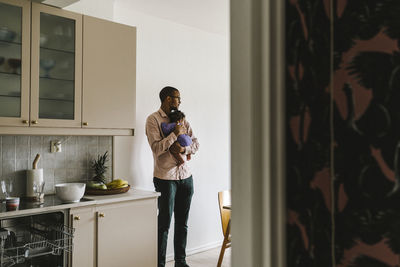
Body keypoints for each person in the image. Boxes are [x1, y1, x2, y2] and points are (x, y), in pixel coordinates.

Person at [145, 86, 200, 267]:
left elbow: (196, 143)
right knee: (164, 225)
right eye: (177, 98)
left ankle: (180, 262)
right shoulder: (152, 120)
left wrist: (184, 148)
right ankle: (159, 264)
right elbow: (156, 149)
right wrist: (174, 135)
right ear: (168, 99)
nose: (180, 101)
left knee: (182, 224)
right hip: (165, 179)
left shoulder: (182, 119)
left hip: (186, 178)